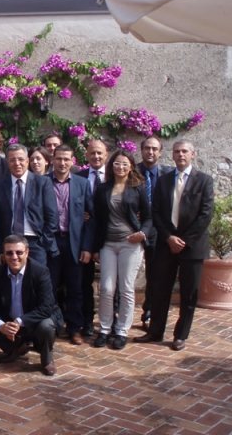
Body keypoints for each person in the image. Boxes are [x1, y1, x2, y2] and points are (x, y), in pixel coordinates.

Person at [135, 140, 214, 351]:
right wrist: (169, 237)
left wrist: (184, 240)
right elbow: (156, 212)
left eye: (185, 151)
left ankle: (181, 335)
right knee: (160, 289)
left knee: (189, 293)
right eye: (177, 151)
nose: (180, 155)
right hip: (166, 244)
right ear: (172, 155)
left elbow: (205, 214)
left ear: (193, 154)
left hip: (192, 246)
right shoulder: (164, 180)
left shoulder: (204, 181)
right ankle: (155, 331)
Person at [92, 150, 152, 350]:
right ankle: (105, 329)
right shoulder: (102, 188)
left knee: (126, 288)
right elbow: (97, 219)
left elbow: (148, 217)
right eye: (117, 163)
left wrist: (142, 234)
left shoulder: (137, 188)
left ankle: (121, 331)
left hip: (130, 244)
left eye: (125, 164)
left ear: (131, 166)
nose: (120, 167)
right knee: (107, 288)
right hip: (108, 244)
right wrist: (94, 247)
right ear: (111, 166)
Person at [0, 235, 62, 376]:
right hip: (9, 322)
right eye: (9, 253)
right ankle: (14, 349)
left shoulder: (40, 272)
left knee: (46, 325)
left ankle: (46, 358)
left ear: (27, 252)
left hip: (34, 321)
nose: (14, 257)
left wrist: (20, 322)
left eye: (19, 252)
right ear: (4, 255)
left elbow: (46, 307)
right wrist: (1, 326)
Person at [46, 145, 94, 345]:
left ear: (73, 161)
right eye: (59, 159)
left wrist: (87, 247)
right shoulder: (43, 182)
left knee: (75, 288)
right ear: (53, 160)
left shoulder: (82, 184)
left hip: (74, 243)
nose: (62, 163)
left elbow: (91, 218)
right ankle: (52, 327)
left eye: (66, 159)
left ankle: (75, 328)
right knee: (49, 288)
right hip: (51, 241)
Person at [0, 143, 59, 266]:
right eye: (12, 160)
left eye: (21, 159)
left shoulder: (42, 183)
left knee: (36, 277)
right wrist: (0, 248)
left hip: (35, 242)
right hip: (10, 242)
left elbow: (52, 217)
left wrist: (43, 241)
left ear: (27, 161)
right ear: (7, 162)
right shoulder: (0, 186)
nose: (17, 163)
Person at [136, 136, 173, 329]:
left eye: (154, 149)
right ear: (141, 150)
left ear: (160, 152)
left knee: (155, 273)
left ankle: (149, 312)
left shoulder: (169, 174)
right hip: (133, 228)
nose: (150, 152)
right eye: (147, 148)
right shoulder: (131, 171)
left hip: (158, 230)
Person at [77, 139, 109, 334]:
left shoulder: (115, 176)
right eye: (92, 153)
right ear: (86, 155)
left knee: (111, 285)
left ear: (106, 154)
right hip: (85, 240)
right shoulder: (78, 177)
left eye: (99, 153)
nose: (96, 156)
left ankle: (111, 323)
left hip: (110, 238)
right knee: (84, 283)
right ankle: (87, 322)